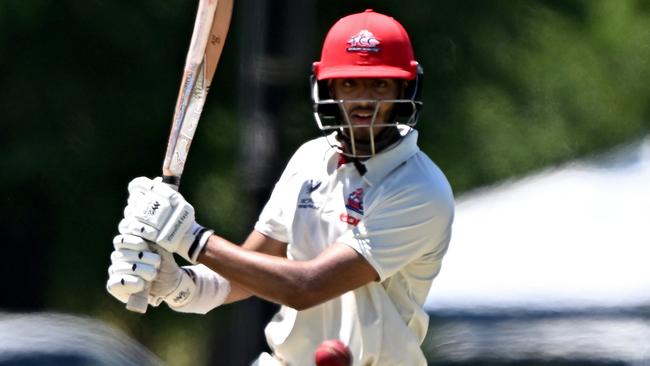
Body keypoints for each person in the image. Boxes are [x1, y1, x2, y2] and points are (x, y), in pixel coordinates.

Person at [107, 9, 454, 366]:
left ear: (405, 87)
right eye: (349, 83)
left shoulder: (419, 188)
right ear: (327, 86)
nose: (364, 99)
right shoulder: (310, 159)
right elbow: (249, 273)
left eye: (380, 84)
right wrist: (179, 285)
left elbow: (306, 287)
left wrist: (191, 238)